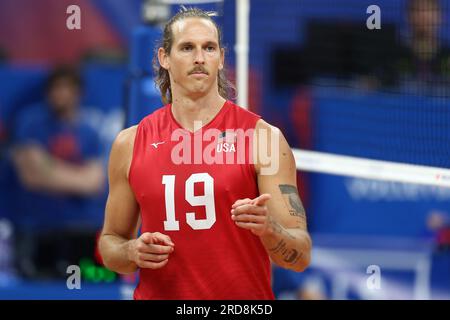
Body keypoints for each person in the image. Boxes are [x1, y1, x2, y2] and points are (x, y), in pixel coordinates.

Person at [99, 7, 312, 300]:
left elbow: (299, 256)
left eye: (209, 48)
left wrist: (269, 229)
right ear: (164, 58)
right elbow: (109, 243)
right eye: (187, 48)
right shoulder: (130, 143)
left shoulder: (263, 138)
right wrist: (131, 251)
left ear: (221, 58)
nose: (199, 58)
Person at [11, 66, 104, 278]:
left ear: (79, 93)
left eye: (67, 88)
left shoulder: (89, 130)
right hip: (37, 230)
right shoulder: (30, 122)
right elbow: (30, 177)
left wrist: (47, 168)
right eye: (56, 88)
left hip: (82, 230)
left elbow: (93, 184)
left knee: (90, 288)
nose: (60, 94)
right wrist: (78, 177)